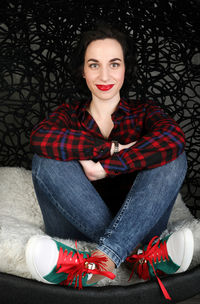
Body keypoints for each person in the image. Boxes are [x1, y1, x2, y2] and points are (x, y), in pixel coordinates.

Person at [25, 23, 194, 300]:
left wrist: (104, 167)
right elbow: (41, 137)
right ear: (83, 70)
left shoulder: (144, 112)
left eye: (114, 64)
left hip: (141, 221)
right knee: (46, 161)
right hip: (72, 225)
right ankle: (138, 256)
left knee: (173, 157)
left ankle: (101, 259)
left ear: (125, 68)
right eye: (94, 65)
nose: (104, 75)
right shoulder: (69, 114)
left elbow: (173, 137)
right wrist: (113, 148)